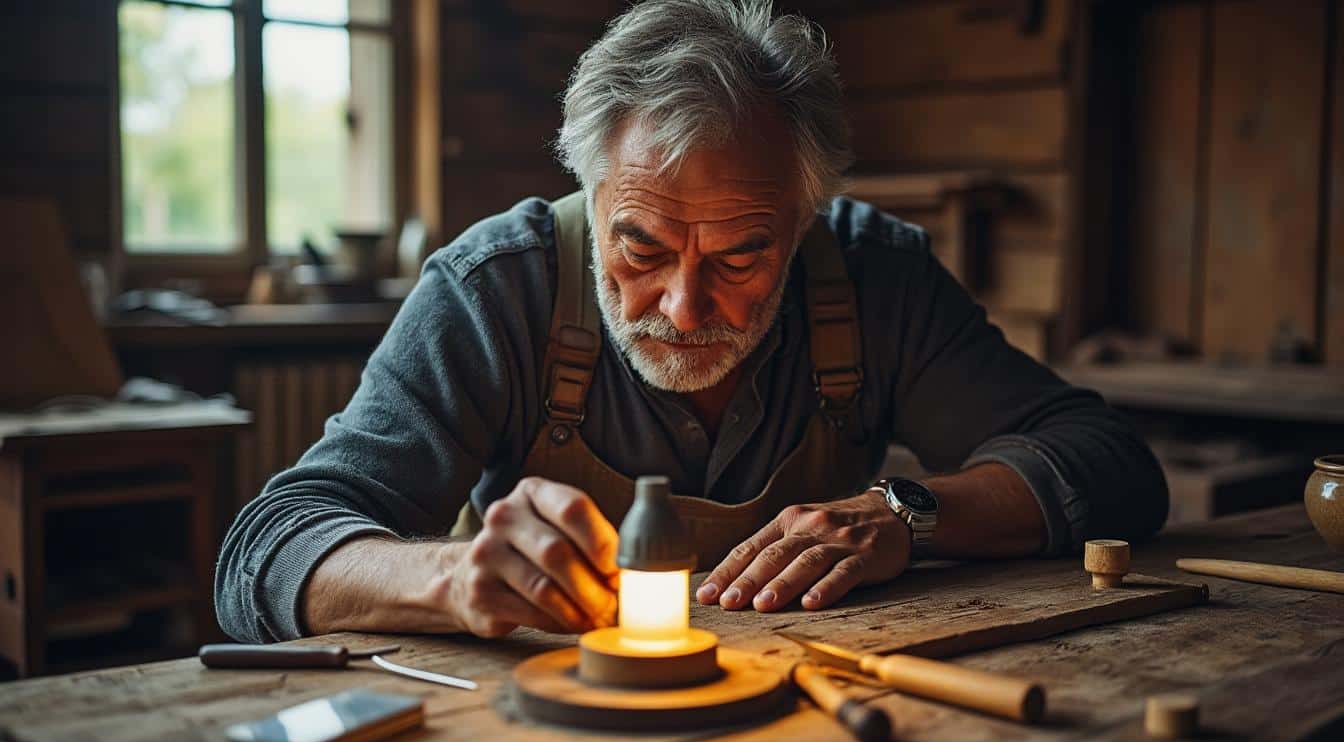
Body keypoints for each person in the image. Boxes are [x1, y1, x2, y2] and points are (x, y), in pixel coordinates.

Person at [215, 0, 1167, 644]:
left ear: (805, 218)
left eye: (741, 255)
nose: (682, 306)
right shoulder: (494, 290)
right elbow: (265, 547)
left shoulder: (877, 279)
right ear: (592, 192)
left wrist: (907, 514)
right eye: (638, 249)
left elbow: (1112, 464)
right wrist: (453, 578)